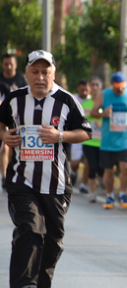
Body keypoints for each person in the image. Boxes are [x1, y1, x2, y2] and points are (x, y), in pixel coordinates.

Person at [0, 50, 91, 288]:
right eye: (35, 72)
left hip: (57, 184)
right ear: (27, 73)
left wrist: (59, 135)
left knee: (52, 242)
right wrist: (4, 135)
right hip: (22, 181)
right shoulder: (13, 99)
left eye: (45, 72)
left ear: (54, 74)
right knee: (31, 229)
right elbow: (1, 123)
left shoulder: (67, 100)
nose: (40, 77)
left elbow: (85, 132)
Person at [91, 72, 127, 209]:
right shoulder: (104, 95)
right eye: (116, 86)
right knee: (109, 170)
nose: (119, 89)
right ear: (112, 85)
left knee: (125, 167)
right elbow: (93, 112)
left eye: (122, 86)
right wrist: (103, 114)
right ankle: (109, 196)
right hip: (108, 140)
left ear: (125, 84)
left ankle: (123, 194)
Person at [0, 53, 27, 190]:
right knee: (4, 147)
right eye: (6, 64)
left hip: (18, 118)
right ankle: (5, 177)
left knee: (13, 148)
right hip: (2, 118)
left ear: (16, 65)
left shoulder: (22, 79)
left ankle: (14, 173)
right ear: (3, 65)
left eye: (11, 64)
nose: (9, 67)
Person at [81, 76, 105, 202]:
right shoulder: (85, 105)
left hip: (102, 142)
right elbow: (80, 122)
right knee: (92, 166)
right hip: (89, 141)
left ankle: (100, 178)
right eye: (93, 85)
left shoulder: (105, 103)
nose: (95, 87)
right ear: (90, 87)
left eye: (97, 85)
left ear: (101, 87)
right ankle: (92, 192)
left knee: (102, 167)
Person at [70, 79, 91, 193]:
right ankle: (73, 172)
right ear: (78, 89)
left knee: (88, 162)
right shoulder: (73, 99)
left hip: (89, 137)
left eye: (86, 90)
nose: (84, 92)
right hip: (76, 135)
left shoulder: (93, 100)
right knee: (75, 163)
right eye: (82, 90)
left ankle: (83, 184)